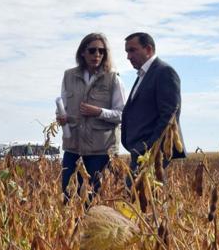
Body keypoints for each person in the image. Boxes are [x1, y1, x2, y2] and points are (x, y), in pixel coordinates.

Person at [56, 33, 124, 197]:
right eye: (92, 50)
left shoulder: (113, 78)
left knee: (96, 201)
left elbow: (122, 114)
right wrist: (61, 117)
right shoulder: (69, 76)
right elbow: (62, 107)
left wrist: (99, 112)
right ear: (82, 52)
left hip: (100, 152)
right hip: (73, 149)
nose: (97, 55)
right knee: (69, 198)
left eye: (101, 51)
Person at [121, 32, 184, 173]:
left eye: (132, 50)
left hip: (154, 154)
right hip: (141, 151)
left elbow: (169, 116)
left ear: (148, 49)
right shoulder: (144, 74)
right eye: (127, 51)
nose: (128, 57)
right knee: (135, 193)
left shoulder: (164, 72)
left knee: (137, 192)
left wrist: (150, 147)